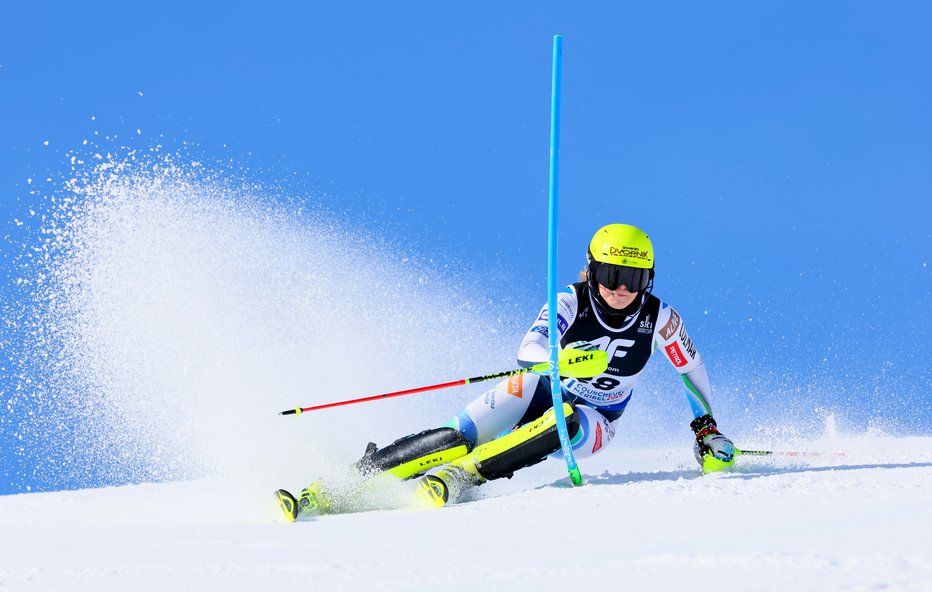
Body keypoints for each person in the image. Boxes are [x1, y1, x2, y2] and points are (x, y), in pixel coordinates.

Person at [279, 223, 735, 519]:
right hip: (542, 384)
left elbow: (690, 369)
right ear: (593, 269)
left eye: (633, 280)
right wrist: (557, 361)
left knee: (566, 420)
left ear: (647, 280)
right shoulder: (569, 301)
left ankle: (465, 476)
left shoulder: (661, 318)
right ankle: (338, 485)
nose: (620, 289)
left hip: (596, 420)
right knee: (458, 434)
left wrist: (705, 427)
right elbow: (529, 348)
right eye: (612, 274)